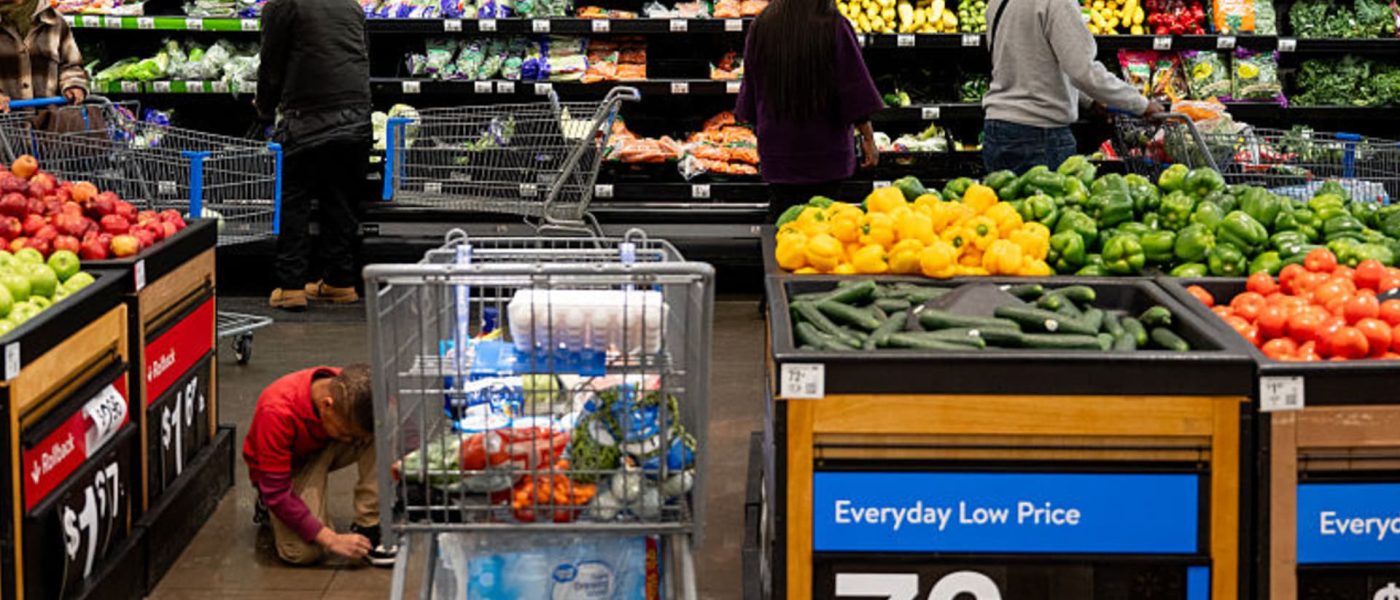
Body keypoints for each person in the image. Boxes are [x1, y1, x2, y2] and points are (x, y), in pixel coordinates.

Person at [256, 0, 372, 311]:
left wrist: (264, 108)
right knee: (341, 199)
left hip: (307, 119)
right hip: (357, 119)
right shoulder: (351, 5)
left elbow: (271, 65)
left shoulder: (282, 5)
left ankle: (290, 287)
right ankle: (340, 282)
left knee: (295, 200)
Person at [735, 0, 884, 222]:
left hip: (779, 154)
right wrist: (868, 139)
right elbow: (853, 87)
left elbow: (750, 92)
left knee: (783, 222)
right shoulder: (834, 24)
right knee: (827, 227)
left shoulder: (762, 24)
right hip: (828, 154)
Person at [981, 0, 1164, 174]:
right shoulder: (1058, 3)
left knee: (1003, 197)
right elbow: (1083, 70)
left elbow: (1028, 62)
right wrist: (1140, 104)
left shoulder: (996, 3)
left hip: (996, 130)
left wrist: (1089, 100)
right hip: (1040, 135)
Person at [243, 364, 396, 566]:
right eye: (346, 433)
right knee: (303, 552)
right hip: (289, 469)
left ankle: (369, 524)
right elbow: (277, 492)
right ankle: (266, 506)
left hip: (323, 445)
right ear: (326, 405)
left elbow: (389, 406)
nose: (350, 441)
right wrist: (332, 540)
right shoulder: (275, 412)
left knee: (386, 418)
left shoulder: (350, 388)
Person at [0, 0, 88, 111]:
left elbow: (71, 64)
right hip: (6, 119)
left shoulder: (54, 21)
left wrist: (73, 84)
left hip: (49, 117)